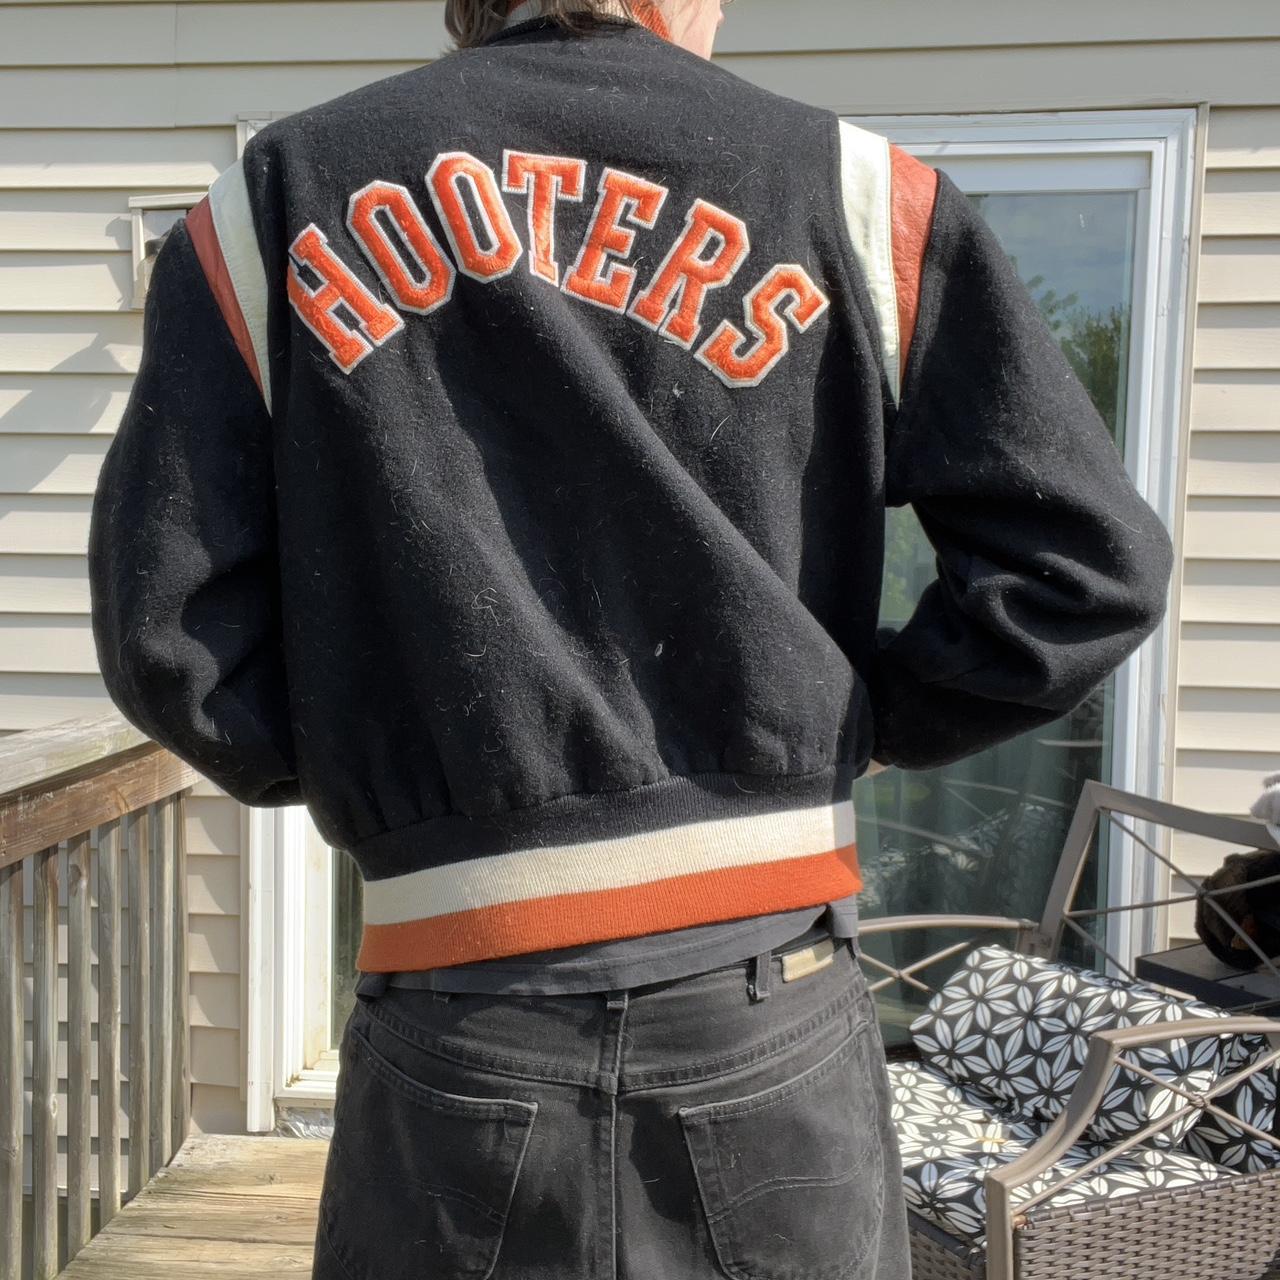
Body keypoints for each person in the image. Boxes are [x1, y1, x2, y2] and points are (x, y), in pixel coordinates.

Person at [86, 0, 1175, 1275]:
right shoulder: (850, 189)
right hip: (765, 1006)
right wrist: (859, 725)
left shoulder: (276, 196)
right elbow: (1084, 565)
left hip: (455, 999)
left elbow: (171, 630)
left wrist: (401, 782)